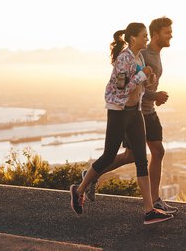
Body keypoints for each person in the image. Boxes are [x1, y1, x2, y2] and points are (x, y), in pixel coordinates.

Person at [70, 22, 173, 225]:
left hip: (135, 113)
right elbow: (120, 87)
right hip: (119, 112)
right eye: (144, 36)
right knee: (109, 154)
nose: (146, 39)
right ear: (133, 38)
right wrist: (142, 75)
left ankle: (149, 211)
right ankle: (79, 189)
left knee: (141, 160)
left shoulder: (139, 56)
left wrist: (148, 79)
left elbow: (139, 85)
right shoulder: (123, 59)